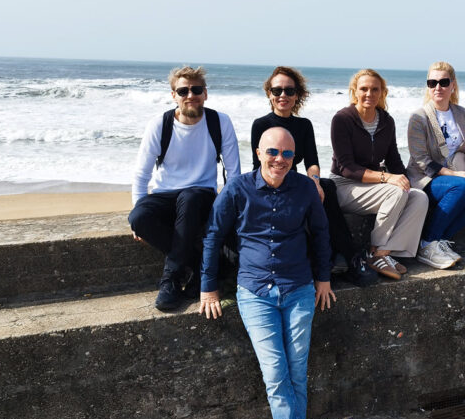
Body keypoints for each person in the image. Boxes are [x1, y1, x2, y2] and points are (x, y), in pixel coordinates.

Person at [199, 126, 334, 419]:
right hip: (255, 293)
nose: (280, 159)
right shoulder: (237, 189)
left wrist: (323, 278)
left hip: (299, 289)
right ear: (258, 152)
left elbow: (321, 234)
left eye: (287, 154)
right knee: (275, 374)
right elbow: (213, 235)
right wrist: (208, 288)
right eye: (272, 152)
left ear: (295, 158)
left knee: (296, 373)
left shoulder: (305, 189)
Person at [129, 65, 240, 311]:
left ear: (205, 94)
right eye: (183, 91)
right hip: (165, 195)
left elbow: (233, 174)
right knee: (138, 217)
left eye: (196, 90)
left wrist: (231, 211)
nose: (190, 95)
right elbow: (141, 174)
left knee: (189, 198)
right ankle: (201, 266)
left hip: (201, 197)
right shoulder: (160, 124)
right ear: (174, 95)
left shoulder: (220, 122)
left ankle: (171, 278)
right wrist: (138, 211)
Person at [251, 66, 375, 285]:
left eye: (289, 91)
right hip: (272, 184)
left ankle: (351, 259)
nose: (283, 95)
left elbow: (312, 162)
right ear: (269, 94)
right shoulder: (261, 125)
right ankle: (333, 260)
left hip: (295, 180)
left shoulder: (304, 125)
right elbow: (257, 166)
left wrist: (315, 182)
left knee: (327, 187)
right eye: (277, 90)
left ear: (297, 95)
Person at [330, 68, 429, 280]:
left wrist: (407, 181)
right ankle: (373, 251)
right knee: (395, 192)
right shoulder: (342, 119)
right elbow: (347, 167)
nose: (369, 94)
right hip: (344, 186)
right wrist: (387, 178)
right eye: (364, 89)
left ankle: (383, 253)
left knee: (419, 197)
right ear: (354, 91)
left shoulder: (386, 121)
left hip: (373, 186)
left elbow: (393, 159)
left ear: (382, 92)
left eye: (375, 89)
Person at [406, 62, 465, 268]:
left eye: (444, 82)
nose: (438, 87)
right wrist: (456, 175)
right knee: (460, 186)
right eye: (432, 82)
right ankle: (427, 243)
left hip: (459, 174)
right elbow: (422, 161)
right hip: (426, 178)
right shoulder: (419, 117)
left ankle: (440, 241)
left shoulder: (461, 113)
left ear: (453, 85)